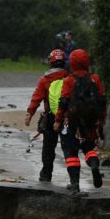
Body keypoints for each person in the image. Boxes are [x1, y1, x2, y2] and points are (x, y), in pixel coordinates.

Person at [55, 49, 106, 193]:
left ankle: (75, 184)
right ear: (87, 62)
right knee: (89, 148)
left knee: (71, 152)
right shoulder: (95, 78)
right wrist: (101, 120)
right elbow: (102, 100)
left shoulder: (69, 80)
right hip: (90, 121)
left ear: (71, 63)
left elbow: (64, 101)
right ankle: (94, 166)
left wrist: (58, 120)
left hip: (71, 121)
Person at [25, 49, 70, 182]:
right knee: (69, 147)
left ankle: (46, 174)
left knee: (48, 147)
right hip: (67, 118)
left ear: (50, 62)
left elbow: (37, 97)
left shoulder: (45, 79)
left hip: (50, 117)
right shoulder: (69, 77)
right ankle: (74, 179)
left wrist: (29, 113)